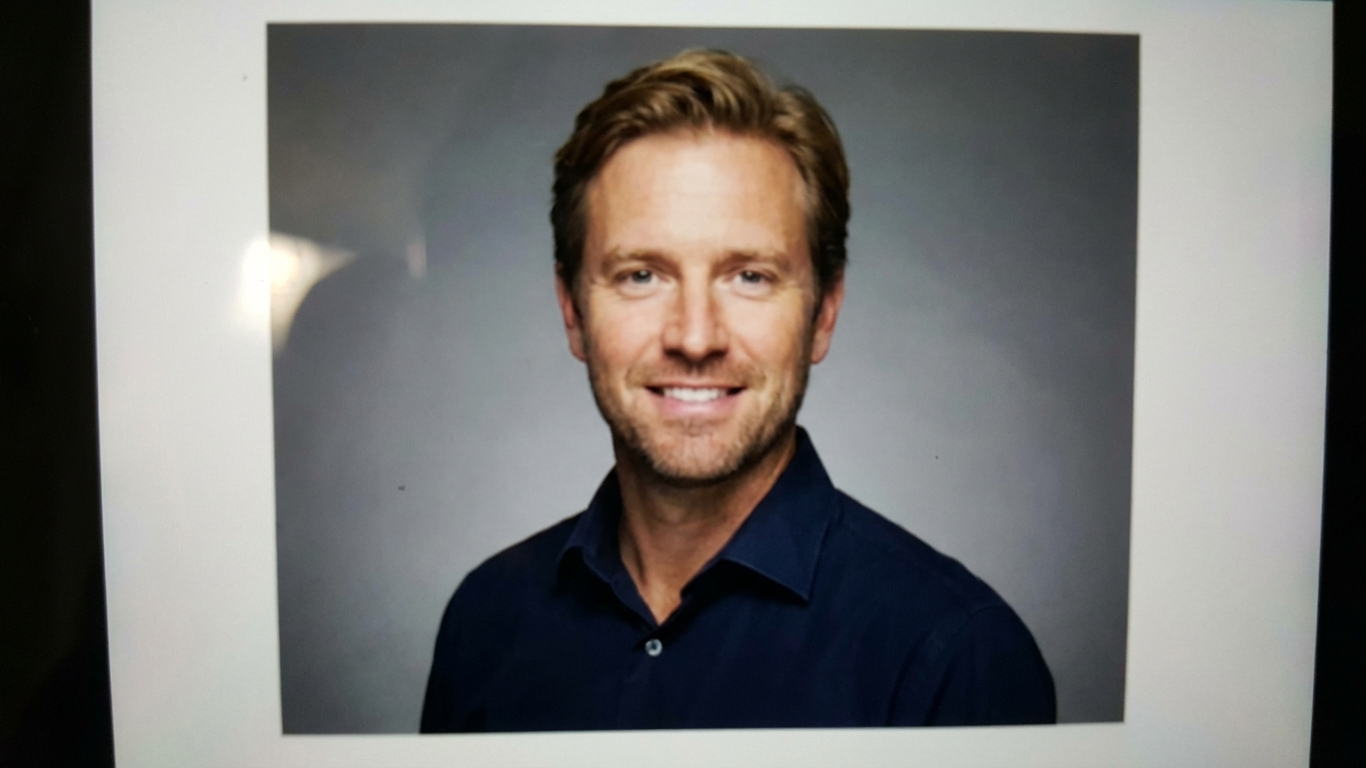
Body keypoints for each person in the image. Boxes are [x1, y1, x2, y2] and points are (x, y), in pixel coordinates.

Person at [420, 49, 1055, 732]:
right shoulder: (483, 619)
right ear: (573, 311)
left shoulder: (956, 657)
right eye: (641, 275)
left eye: (750, 276)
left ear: (824, 314)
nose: (695, 338)